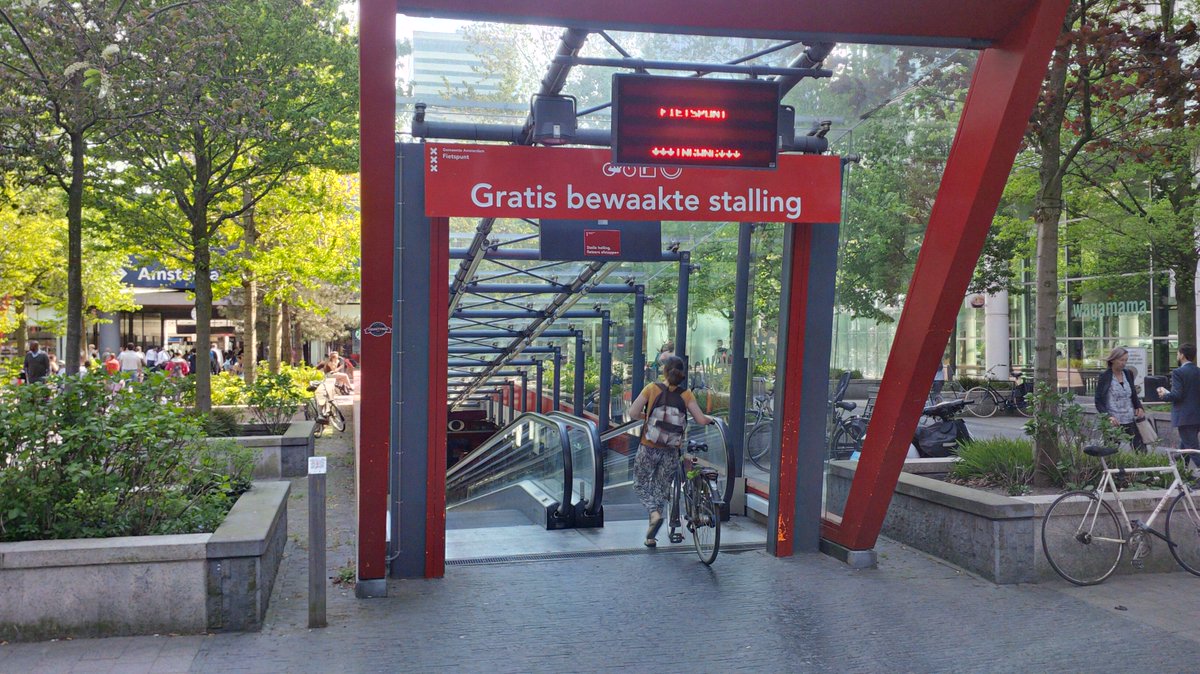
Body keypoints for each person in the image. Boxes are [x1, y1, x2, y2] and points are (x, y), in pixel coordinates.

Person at [627, 355, 714, 548]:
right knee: (660, 490)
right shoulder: (686, 395)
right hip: (671, 451)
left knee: (640, 485)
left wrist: (648, 417)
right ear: (682, 374)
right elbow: (701, 419)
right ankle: (651, 536)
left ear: (664, 371)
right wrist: (711, 419)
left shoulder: (651, 388)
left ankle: (654, 514)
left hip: (648, 447)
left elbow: (632, 413)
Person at [1095, 346, 1147, 453]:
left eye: (1126, 360)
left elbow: (1133, 394)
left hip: (1130, 417)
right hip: (1114, 419)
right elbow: (1098, 400)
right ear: (1113, 360)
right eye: (1121, 360)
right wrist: (1108, 416)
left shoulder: (1128, 373)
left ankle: (1142, 463)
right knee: (1111, 450)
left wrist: (1139, 407)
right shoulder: (1105, 376)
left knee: (1140, 448)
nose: (1124, 363)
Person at [1157, 344, 1200, 471]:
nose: (1177, 355)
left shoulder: (1178, 372)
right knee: (1185, 445)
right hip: (1196, 415)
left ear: (1182, 355)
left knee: (1192, 448)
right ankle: (1181, 471)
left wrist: (1164, 395)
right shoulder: (1198, 371)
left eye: (1177, 353)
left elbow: (1177, 395)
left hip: (1185, 416)